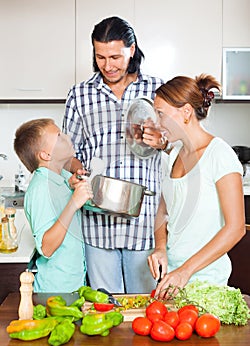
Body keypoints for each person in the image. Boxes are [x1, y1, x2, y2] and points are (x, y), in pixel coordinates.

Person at [62, 16, 167, 293]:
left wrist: (162, 140)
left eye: (115, 57)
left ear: (131, 50)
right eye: (100, 57)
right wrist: (76, 170)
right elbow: (67, 153)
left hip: (144, 221)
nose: (108, 66)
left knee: (145, 311)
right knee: (104, 312)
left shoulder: (157, 90)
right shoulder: (80, 95)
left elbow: (179, 144)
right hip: (97, 224)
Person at [147, 74, 246, 298]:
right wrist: (160, 247)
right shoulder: (173, 155)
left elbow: (236, 228)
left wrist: (185, 271)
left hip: (207, 282)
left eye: (161, 114)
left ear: (186, 112)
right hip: (172, 280)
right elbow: (163, 212)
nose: (158, 123)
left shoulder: (219, 154)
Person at [14, 118, 93, 293]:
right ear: (46, 155)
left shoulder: (62, 177)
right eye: (59, 136)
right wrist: (73, 203)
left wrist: (70, 187)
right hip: (56, 290)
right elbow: (46, 248)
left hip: (75, 284)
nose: (66, 137)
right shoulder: (40, 188)